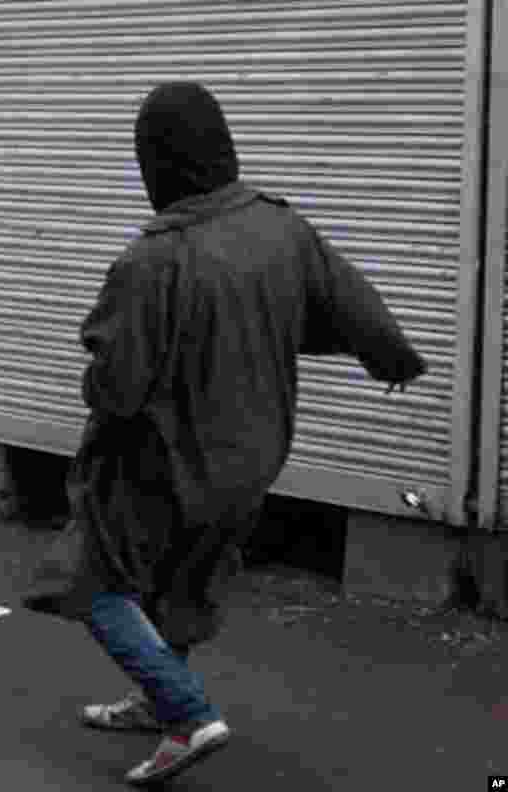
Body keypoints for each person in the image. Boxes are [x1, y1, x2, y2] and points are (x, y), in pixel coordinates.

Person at [22, 81, 427, 786]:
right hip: (254, 455)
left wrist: (96, 378)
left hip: (162, 464)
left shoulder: (151, 262)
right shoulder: (282, 227)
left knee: (88, 579)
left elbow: (117, 391)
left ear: (157, 162)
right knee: (184, 579)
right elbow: (362, 315)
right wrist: (396, 359)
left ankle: (186, 714)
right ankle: (158, 699)